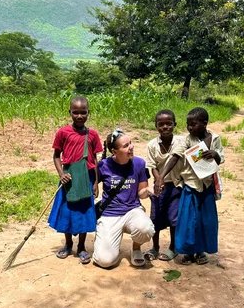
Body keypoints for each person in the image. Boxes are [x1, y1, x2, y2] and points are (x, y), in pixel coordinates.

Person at [155, 107, 224, 265]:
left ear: (205, 123)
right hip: (190, 186)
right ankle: (187, 251)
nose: (190, 128)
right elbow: (174, 157)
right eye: (188, 124)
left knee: (205, 221)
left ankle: (200, 251)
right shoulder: (187, 140)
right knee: (187, 221)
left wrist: (214, 154)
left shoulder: (215, 139)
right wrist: (161, 177)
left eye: (193, 124)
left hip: (206, 187)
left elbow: (220, 158)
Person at [48, 96, 103, 264]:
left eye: (83, 112)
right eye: (75, 112)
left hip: (86, 178)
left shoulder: (92, 135)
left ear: (88, 113)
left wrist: (96, 183)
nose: (79, 116)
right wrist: (61, 174)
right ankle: (68, 244)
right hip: (69, 179)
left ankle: (81, 247)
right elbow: (56, 156)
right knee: (68, 211)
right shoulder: (63, 132)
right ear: (70, 112)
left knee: (84, 212)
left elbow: (95, 160)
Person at [92, 129, 155, 268]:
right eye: (126, 146)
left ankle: (136, 248)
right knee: (105, 261)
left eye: (130, 143)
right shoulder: (103, 166)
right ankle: (105, 237)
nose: (131, 147)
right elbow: (92, 187)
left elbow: (141, 194)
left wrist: (149, 191)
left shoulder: (139, 163)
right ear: (114, 151)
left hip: (132, 210)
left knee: (146, 228)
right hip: (110, 214)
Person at [144, 109, 184, 261]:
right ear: (156, 126)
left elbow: (179, 158)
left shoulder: (181, 142)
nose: (165, 127)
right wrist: (158, 180)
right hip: (159, 187)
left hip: (176, 185)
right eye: (161, 124)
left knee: (174, 218)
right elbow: (152, 166)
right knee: (156, 217)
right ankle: (155, 247)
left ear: (175, 124)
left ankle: (173, 247)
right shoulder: (152, 145)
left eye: (169, 123)